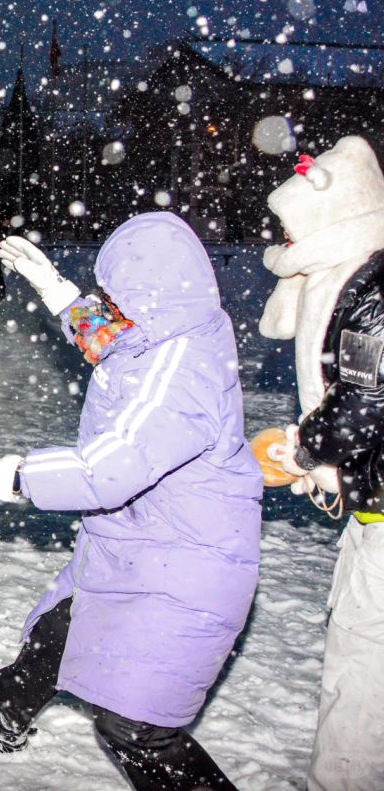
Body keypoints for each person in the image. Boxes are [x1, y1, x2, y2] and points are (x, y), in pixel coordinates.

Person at [0, 212, 260, 789]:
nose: (108, 304)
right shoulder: (170, 328)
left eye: (115, 294)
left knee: (135, 727)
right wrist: (58, 292)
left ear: (150, 294)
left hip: (186, 561)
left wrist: (11, 475)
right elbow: (119, 346)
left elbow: (113, 466)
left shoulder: (182, 373)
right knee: (63, 626)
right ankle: (4, 709)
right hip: (143, 539)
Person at [256, 137, 384, 791]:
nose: (281, 236)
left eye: (288, 225)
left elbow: (363, 403)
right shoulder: (353, 278)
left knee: (360, 666)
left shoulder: (372, 290)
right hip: (371, 510)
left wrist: (301, 448)